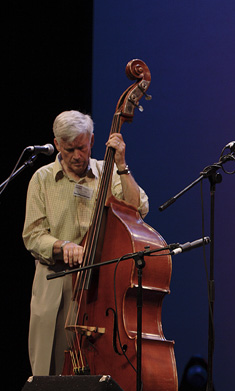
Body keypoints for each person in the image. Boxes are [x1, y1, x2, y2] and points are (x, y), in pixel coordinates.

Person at [22, 110, 149, 376]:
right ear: (57, 144)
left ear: (92, 140)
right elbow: (33, 235)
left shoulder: (109, 172)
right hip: (56, 283)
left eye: (82, 147)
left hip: (99, 289)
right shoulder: (42, 179)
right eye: (69, 150)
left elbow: (137, 210)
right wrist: (62, 245)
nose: (77, 156)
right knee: (49, 375)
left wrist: (123, 166)